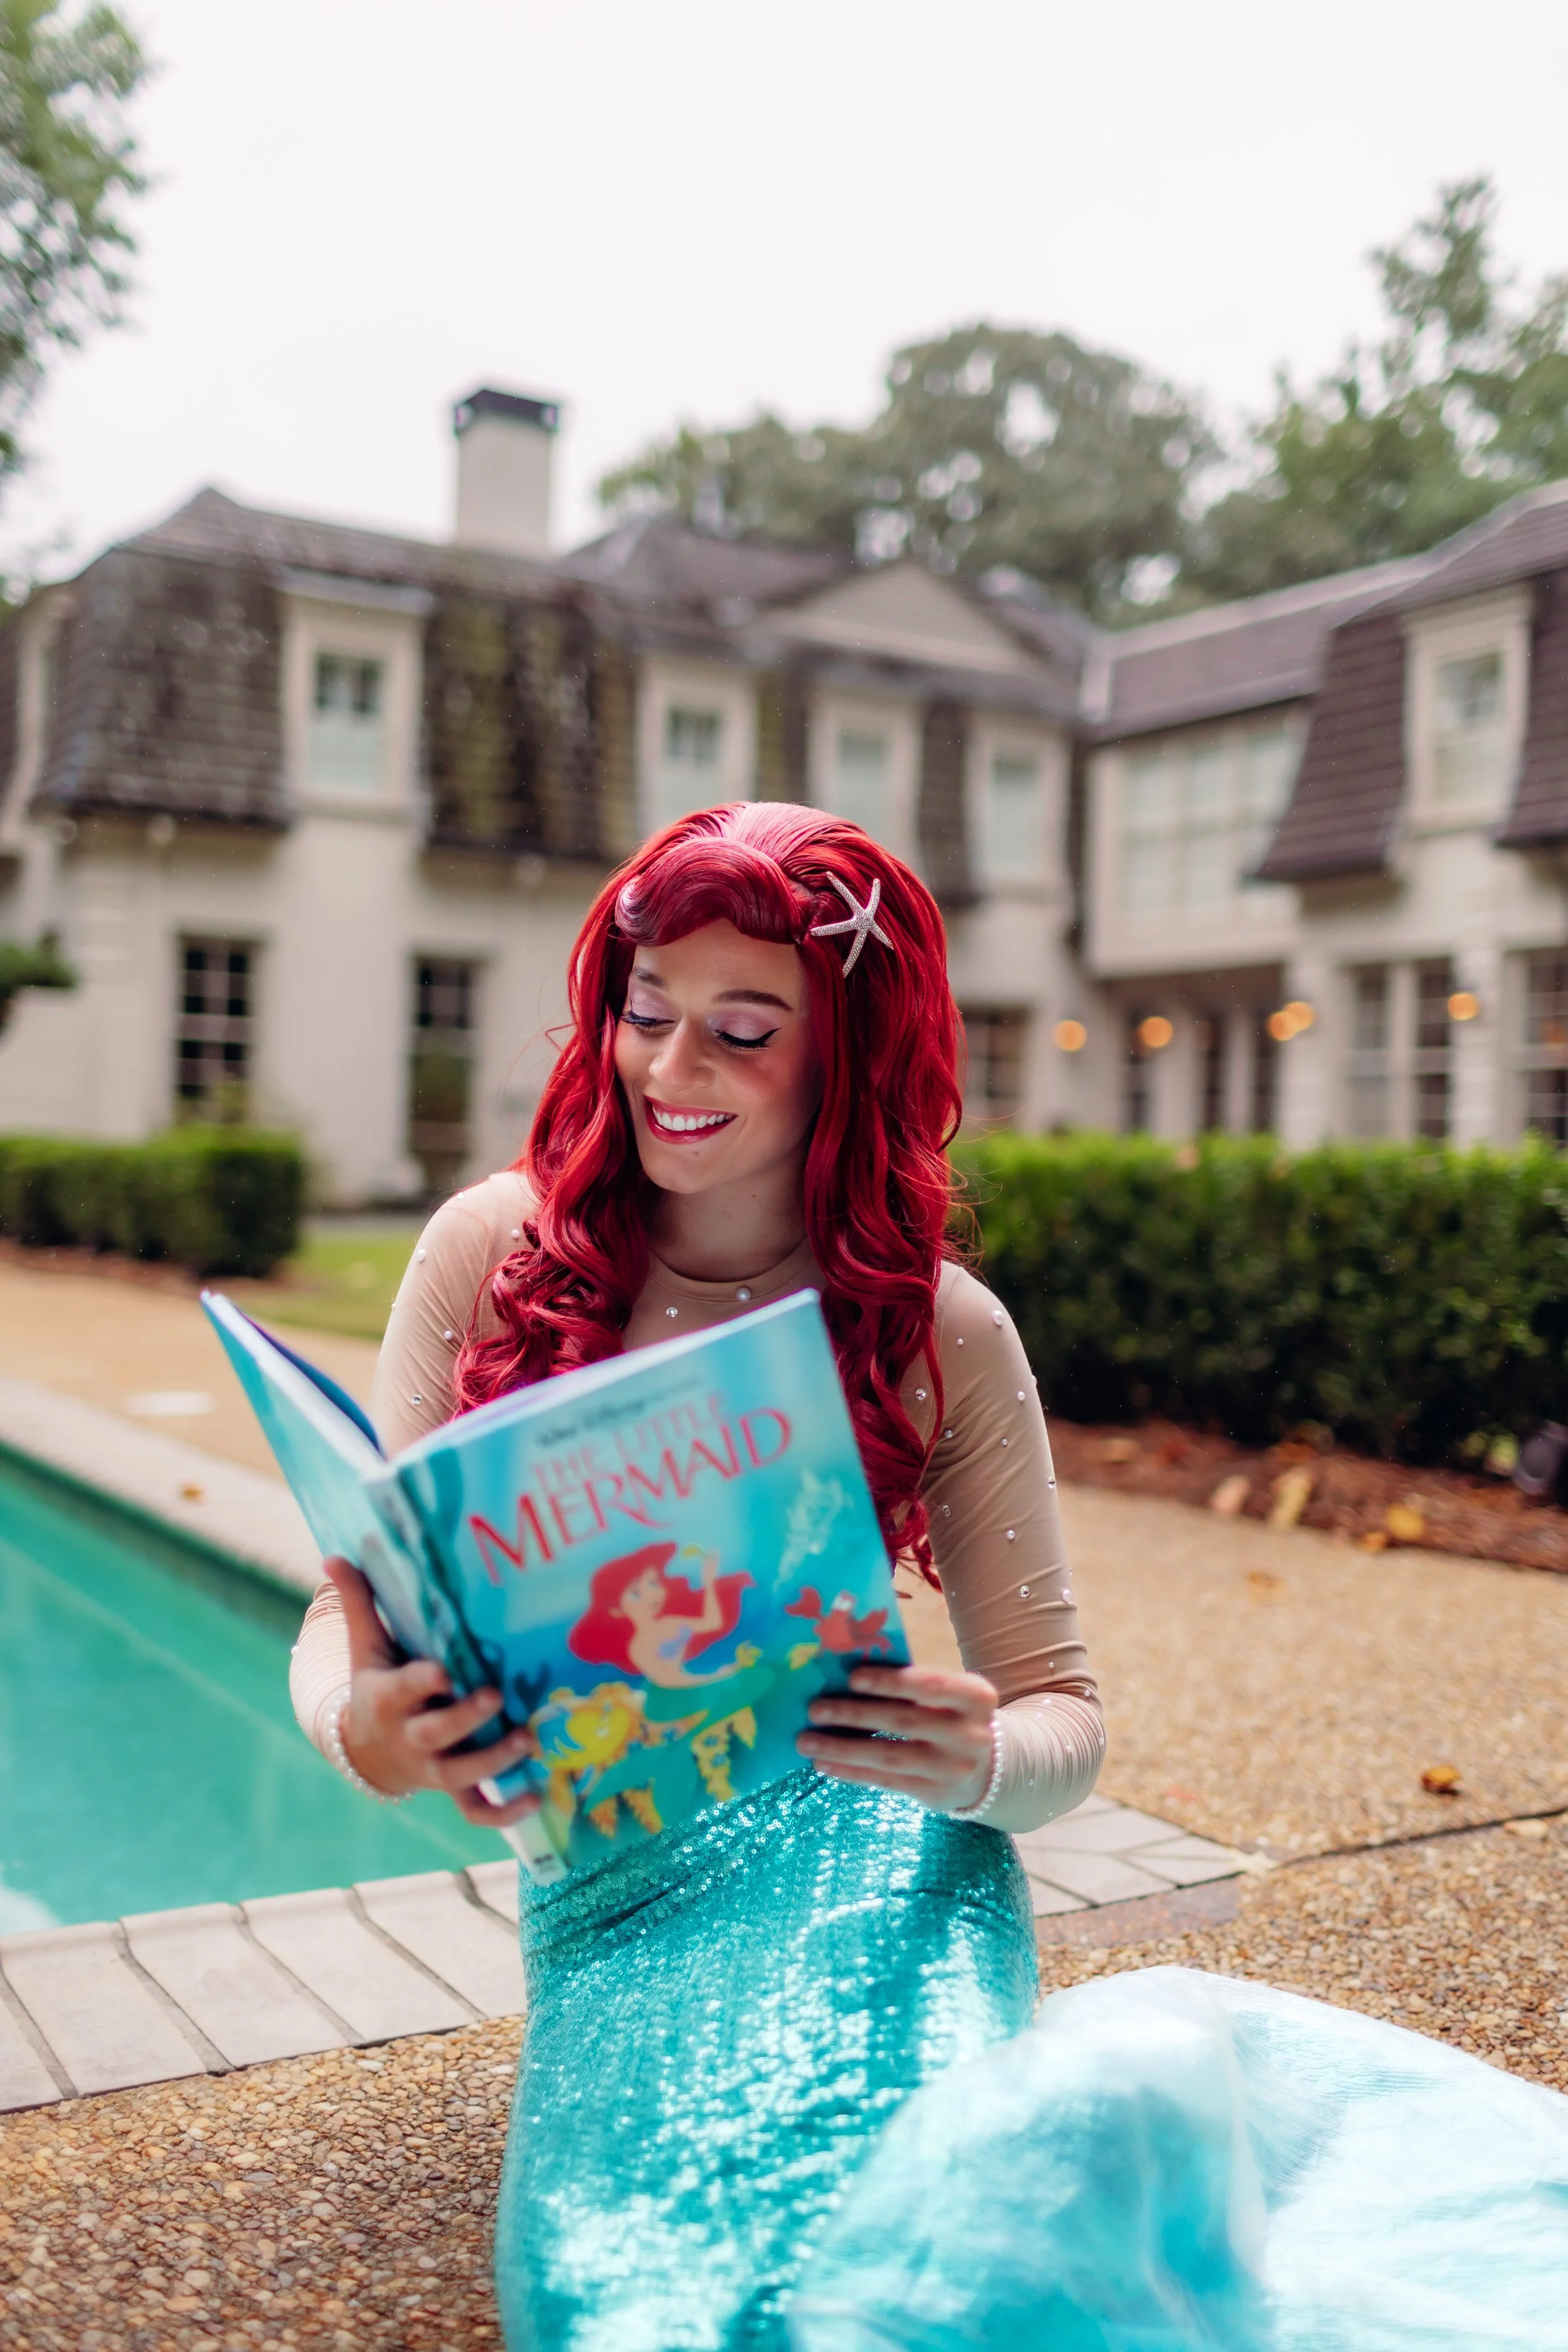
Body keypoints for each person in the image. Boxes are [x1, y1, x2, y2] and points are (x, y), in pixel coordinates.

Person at [289, 803, 1568, 2351]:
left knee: (949, 2261)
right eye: (644, 1011)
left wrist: (977, 1764)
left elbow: (1061, 1723)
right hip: (614, 1905)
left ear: (846, 1057)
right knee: (623, 2304)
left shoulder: (939, 1327)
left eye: (740, 1032)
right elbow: (341, 1615)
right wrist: (368, 1730)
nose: (669, 1070)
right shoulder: (488, 1251)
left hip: (891, 1866)